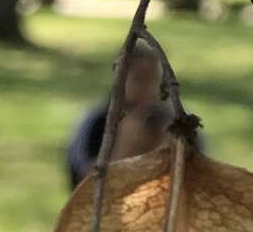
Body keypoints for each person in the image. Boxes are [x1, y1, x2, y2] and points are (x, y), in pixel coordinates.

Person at [64, 38, 174, 190]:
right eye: (140, 80)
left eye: (155, 80)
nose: (150, 89)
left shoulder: (172, 121)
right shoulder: (97, 121)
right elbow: (83, 184)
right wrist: (124, 146)